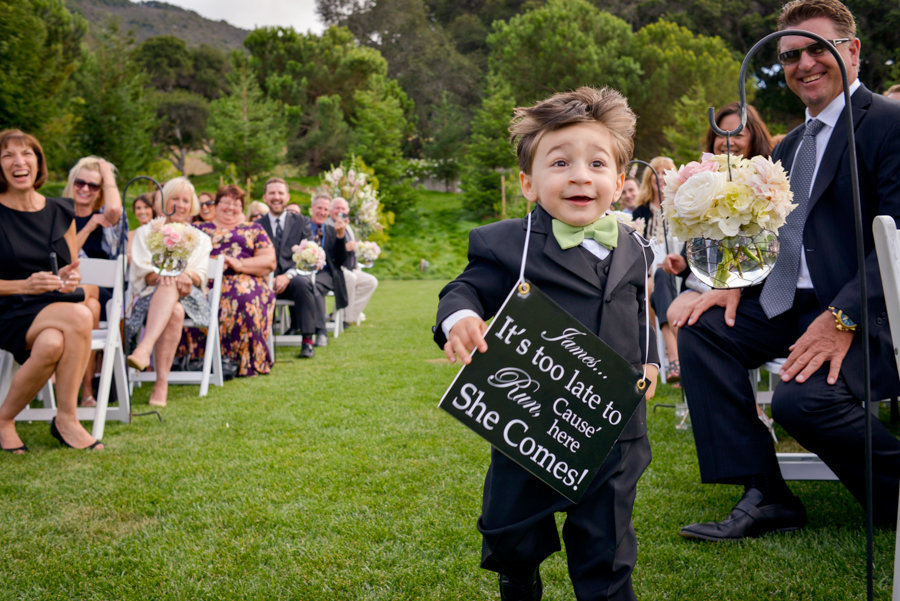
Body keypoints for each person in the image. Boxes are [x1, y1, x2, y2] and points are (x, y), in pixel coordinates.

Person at [677, 0, 900, 541]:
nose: (803, 64)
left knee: (803, 400)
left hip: (871, 307)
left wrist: (842, 317)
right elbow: (778, 235)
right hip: (786, 303)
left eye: (816, 50)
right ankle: (766, 492)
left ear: (851, 51)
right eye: (790, 55)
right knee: (703, 331)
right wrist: (735, 283)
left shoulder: (890, 124)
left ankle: (894, 496)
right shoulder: (789, 145)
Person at [435, 87, 657, 601]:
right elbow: (463, 289)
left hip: (613, 426)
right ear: (529, 184)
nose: (580, 175)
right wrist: (461, 318)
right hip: (531, 424)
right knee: (512, 530)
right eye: (560, 163)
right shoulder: (507, 243)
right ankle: (518, 575)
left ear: (618, 181)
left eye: (597, 163)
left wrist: (650, 357)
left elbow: (639, 308)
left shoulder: (635, 244)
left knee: (608, 548)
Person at [0, 129, 102, 451]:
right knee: (79, 314)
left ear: (38, 161)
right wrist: (24, 284)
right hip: (8, 307)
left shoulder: (61, 211)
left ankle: (3, 420)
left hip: (50, 307)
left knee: (52, 343)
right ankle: (67, 419)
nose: (19, 161)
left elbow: (71, 267)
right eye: (7, 155)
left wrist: (70, 279)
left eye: (26, 153)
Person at [663, 102, 775, 329]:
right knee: (676, 312)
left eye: (738, 134)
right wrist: (684, 263)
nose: (727, 140)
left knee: (693, 322)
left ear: (755, 139)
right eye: (720, 134)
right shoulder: (704, 181)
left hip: (751, 286)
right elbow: (700, 244)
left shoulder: (767, 184)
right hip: (705, 281)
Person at [126, 177, 212, 407]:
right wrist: (166, 274)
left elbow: (200, 274)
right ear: (163, 201)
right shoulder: (147, 232)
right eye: (175, 198)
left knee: (172, 284)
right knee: (173, 308)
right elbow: (143, 273)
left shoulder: (200, 238)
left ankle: (144, 348)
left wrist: (185, 276)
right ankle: (161, 383)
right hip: (150, 297)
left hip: (190, 299)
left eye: (186, 200)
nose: (180, 205)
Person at [181, 185, 276, 376]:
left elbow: (269, 261)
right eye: (225, 202)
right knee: (187, 297)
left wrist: (238, 264)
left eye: (236, 204)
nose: (230, 207)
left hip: (244, 278)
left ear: (242, 207)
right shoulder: (198, 229)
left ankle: (240, 361)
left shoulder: (254, 229)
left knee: (243, 297)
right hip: (203, 280)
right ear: (216, 205)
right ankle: (195, 359)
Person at [63, 156, 125, 408]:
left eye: (94, 185)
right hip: (65, 291)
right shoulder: (58, 214)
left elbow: (113, 210)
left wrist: (107, 172)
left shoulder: (107, 219)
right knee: (90, 309)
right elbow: (63, 256)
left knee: (92, 304)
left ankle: (84, 391)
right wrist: (88, 227)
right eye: (80, 182)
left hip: (102, 293)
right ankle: (86, 393)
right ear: (72, 183)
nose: (85, 189)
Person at [630, 157, 679, 381]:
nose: (659, 177)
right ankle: (673, 355)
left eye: (664, 172)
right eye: (655, 173)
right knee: (651, 284)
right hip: (650, 271)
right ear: (649, 179)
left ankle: (671, 355)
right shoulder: (640, 211)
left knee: (655, 284)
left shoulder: (680, 207)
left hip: (677, 270)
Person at [257, 177, 317, 358]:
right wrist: (269, 278)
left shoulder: (302, 222)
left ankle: (307, 341)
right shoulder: (256, 226)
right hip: (264, 280)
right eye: (272, 193)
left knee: (303, 283)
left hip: (292, 280)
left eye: (280, 193)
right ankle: (257, 343)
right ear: (265, 197)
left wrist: (288, 275)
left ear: (287, 196)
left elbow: (310, 256)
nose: (276, 197)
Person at [308, 193, 349, 347]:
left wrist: (340, 237)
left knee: (315, 286)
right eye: (319, 208)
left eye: (326, 209)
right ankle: (296, 326)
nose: (322, 212)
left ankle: (321, 331)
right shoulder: (302, 226)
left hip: (326, 273)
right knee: (303, 284)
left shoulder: (332, 230)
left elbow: (340, 261)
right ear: (312, 208)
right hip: (303, 271)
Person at [329, 196, 378, 326]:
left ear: (347, 211)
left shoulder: (348, 226)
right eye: (337, 208)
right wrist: (344, 247)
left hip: (352, 267)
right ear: (331, 210)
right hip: (337, 269)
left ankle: (346, 316)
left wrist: (362, 249)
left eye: (343, 208)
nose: (340, 211)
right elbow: (329, 250)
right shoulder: (328, 225)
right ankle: (342, 319)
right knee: (350, 278)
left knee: (371, 282)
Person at [127, 193, 157, 260]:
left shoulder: (160, 233)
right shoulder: (130, 235)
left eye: (146, 207)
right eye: (138, 208)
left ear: (153, 209)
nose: (142, 212)